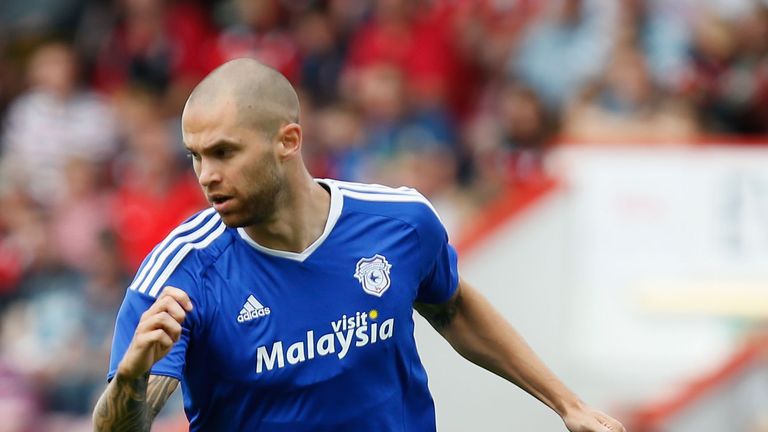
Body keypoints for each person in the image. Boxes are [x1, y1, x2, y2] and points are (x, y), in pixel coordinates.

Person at [92, 58, 625, 432]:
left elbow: (454, 306)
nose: (206, 175)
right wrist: (131, 379)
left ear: (288, 141)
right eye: (195, 156)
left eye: (224, 152)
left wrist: (567, 404)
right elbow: (120, 428)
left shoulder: (399, 222)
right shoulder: (180, 274)